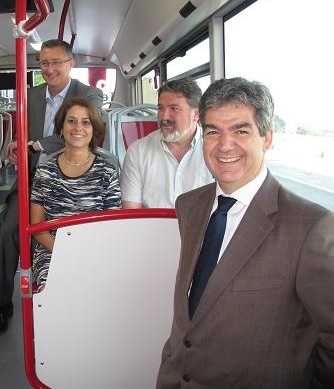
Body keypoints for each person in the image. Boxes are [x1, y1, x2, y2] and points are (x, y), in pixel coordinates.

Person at [157, 77, 334, 388]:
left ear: (266, 138)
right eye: (214, 132)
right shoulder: (189, 206)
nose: (225, 145)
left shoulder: (310, 227)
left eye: (241, 130)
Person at [0, 39, 103, 333]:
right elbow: (22, 136)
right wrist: (15, 146)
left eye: (56, 62)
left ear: (71, 63)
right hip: (33, 180)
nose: (50, 69)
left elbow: (83, 131)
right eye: (44, 63)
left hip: (75, 182)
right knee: (6, 233)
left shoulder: (89, 94)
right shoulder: (31, 95)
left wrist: (35, 145)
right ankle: (3, 303)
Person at [30, 97, 121, 289]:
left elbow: (112, 226)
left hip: (96, 251)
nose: (78, 128)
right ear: (61, 129)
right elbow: (38, 227)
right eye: (71, 121)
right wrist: (65, 253)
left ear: (93, 129)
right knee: (54, 291)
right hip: (52, 250)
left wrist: (87, 256)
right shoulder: (45, 171)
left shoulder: (107, 172)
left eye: (85, 122)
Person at [121, 77, 213, 208]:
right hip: (151, 228)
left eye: (174, 108)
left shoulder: (214, 149)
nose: (164, 116)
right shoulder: (137, 151)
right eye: (160, 108)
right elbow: (132, 213)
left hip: (202, 228)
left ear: (196, 114)